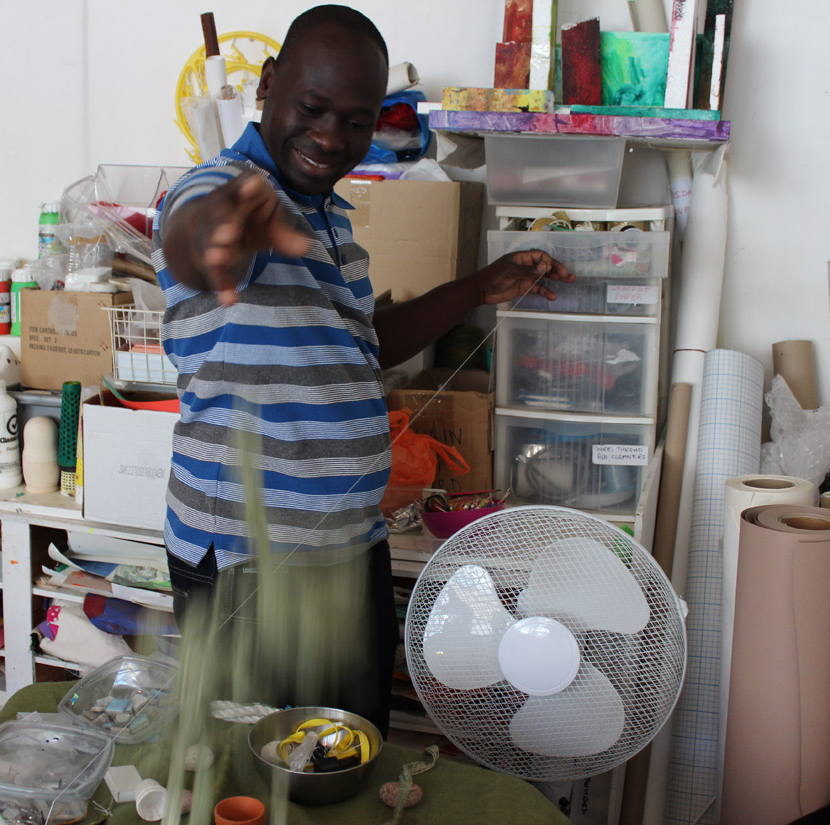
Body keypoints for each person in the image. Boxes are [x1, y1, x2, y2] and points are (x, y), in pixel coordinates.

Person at [150, 4, 573, 735]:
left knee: (348, 757)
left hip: (348, 549)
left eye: (356, 121)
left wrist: (476, 288)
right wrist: (237, 218)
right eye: (312, 108)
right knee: (253, 779)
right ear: (269, 83)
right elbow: (196, 240)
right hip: (252, 567)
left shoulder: (329, 214)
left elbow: (357, 343)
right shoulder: (213, 191)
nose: (329, 137)